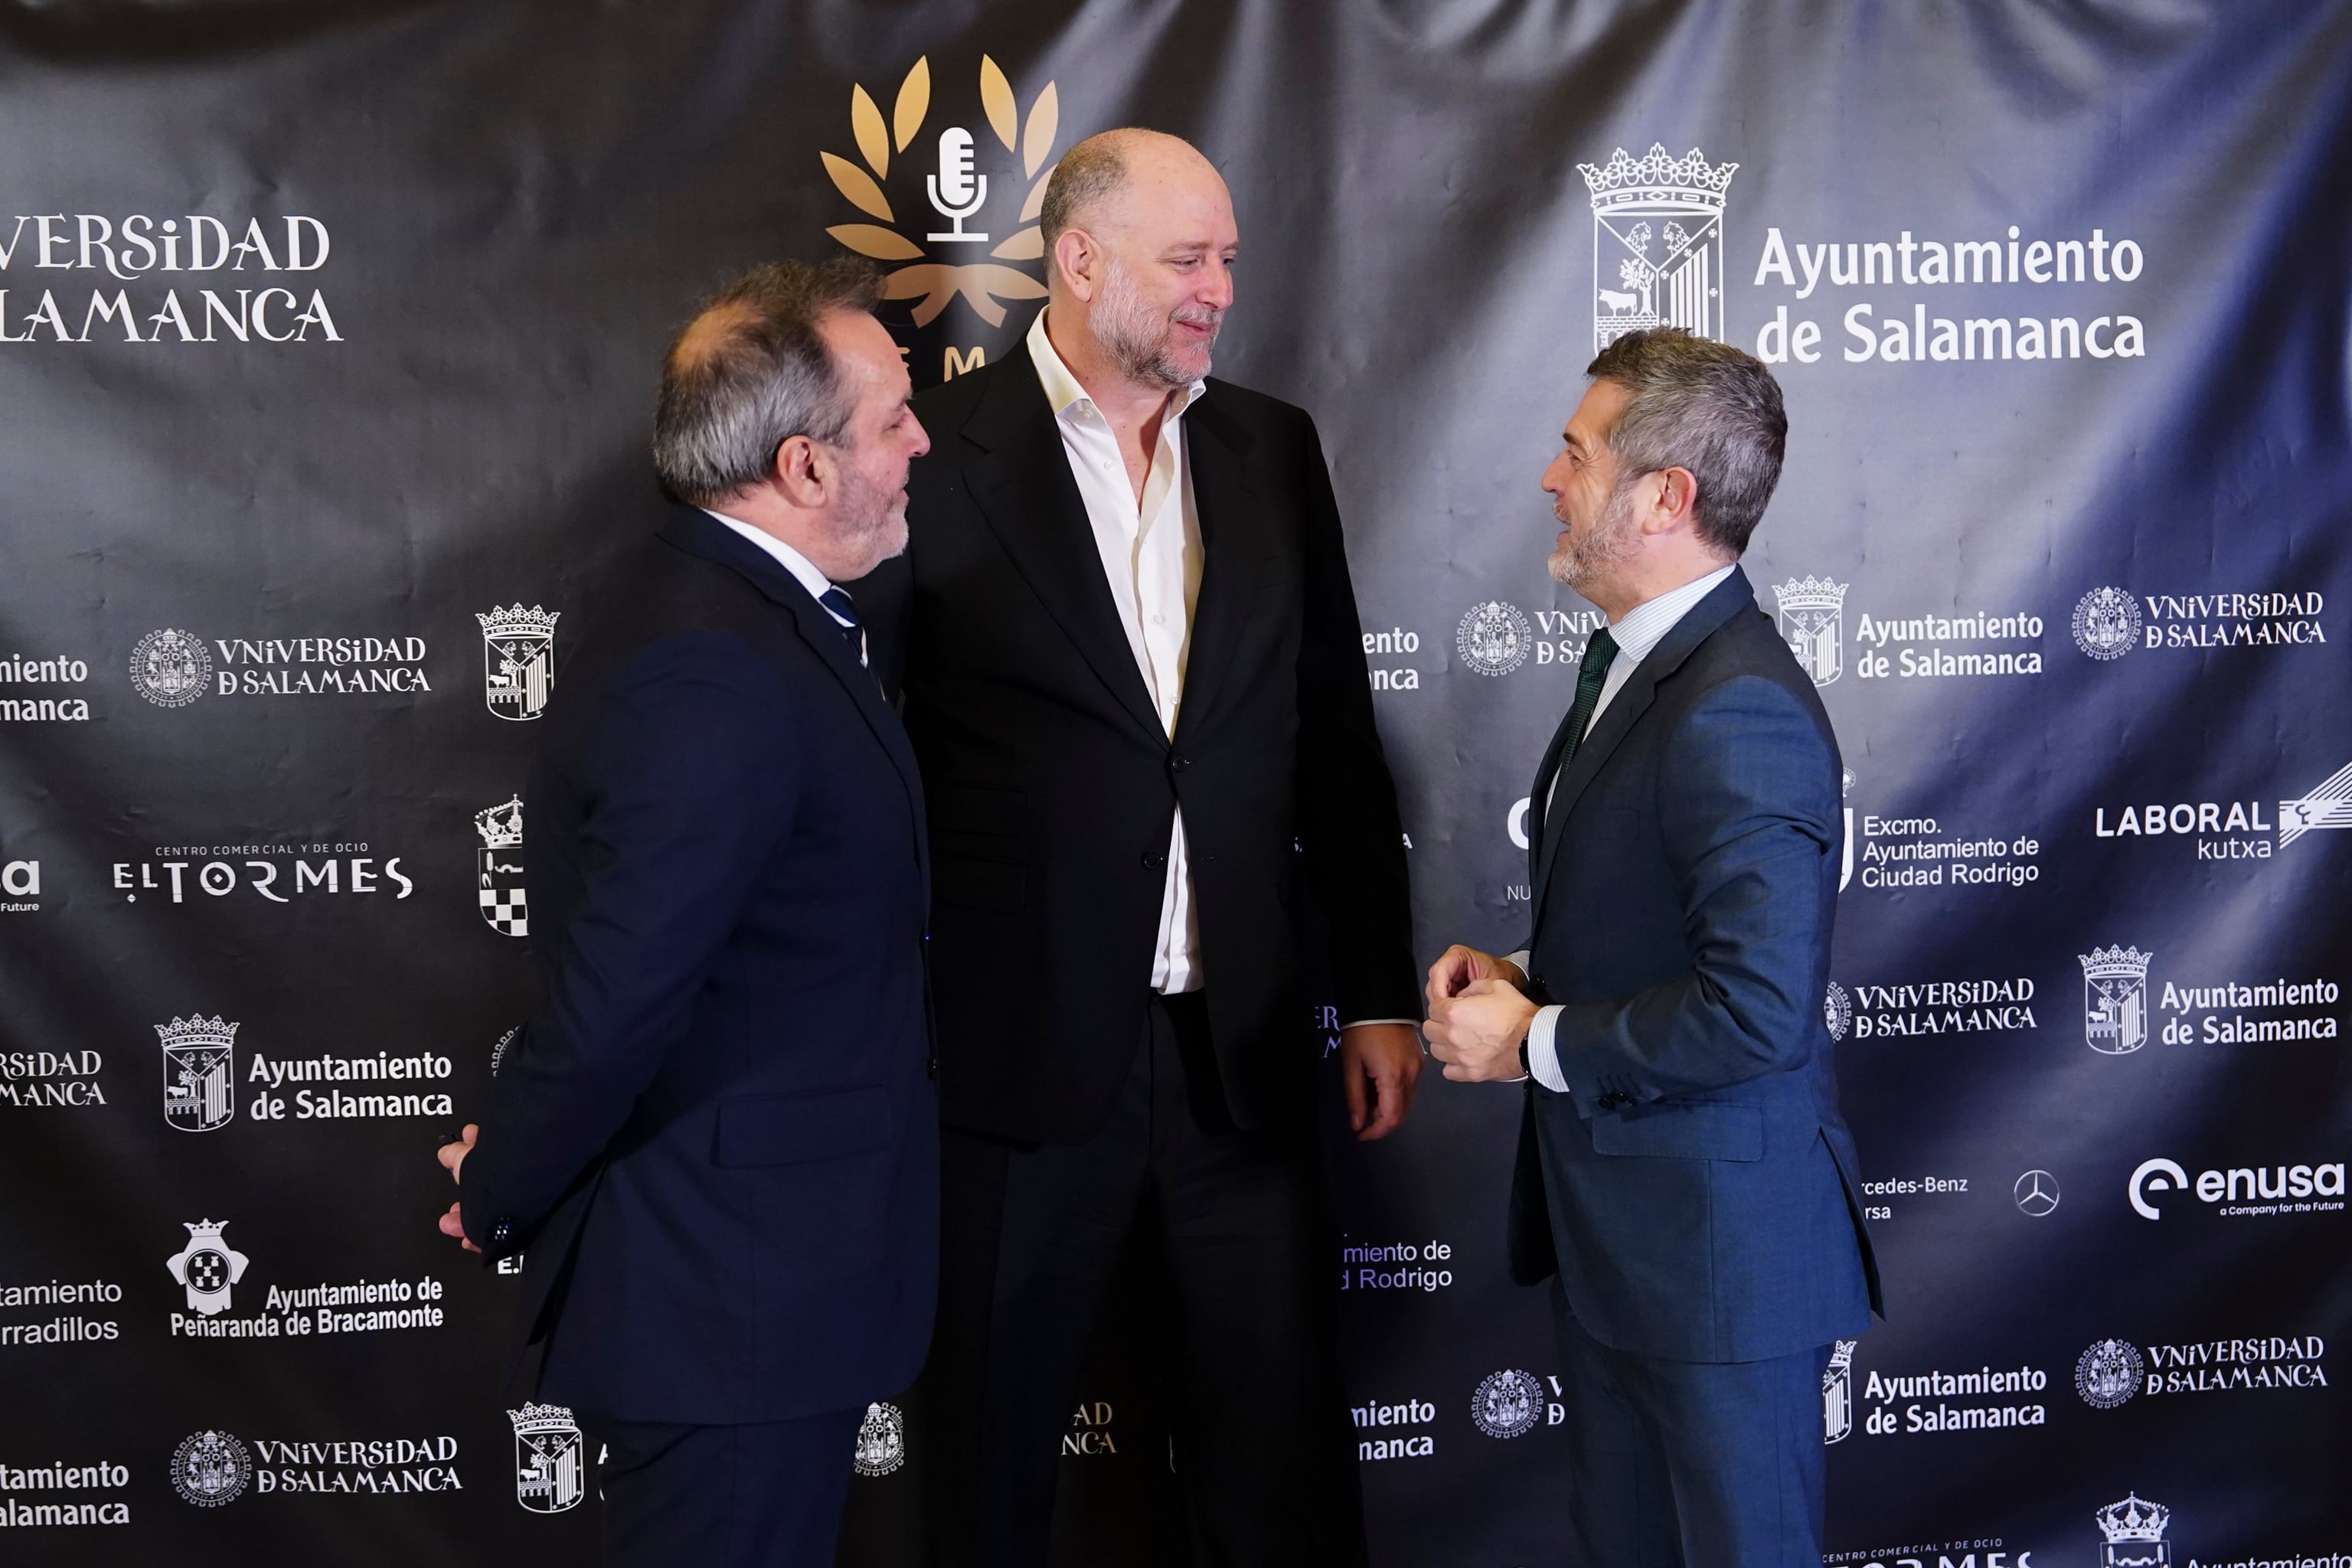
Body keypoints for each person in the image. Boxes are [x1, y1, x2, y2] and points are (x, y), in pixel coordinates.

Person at [852, 129, 1421, 1566]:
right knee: (983, 1462)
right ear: (1081, 261)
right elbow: (863, 766)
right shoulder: (931, 448)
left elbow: (1335, 746)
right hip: (1014, 1064)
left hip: (1239, 1064)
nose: (1218, 290)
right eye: (1188, 260)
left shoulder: (1270, 447)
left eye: (1229, 259)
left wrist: (1379, 992)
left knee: (1274, 1469)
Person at [433, 259, 937, 1566]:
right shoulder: (717, 664)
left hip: (766, 1288)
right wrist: (502, 1185)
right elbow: (621, 996)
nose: (923, 439)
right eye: (894, 417)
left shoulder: (751, 621)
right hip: (735, 1301)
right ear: (804, 467)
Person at [1423, 327, 1883, 1567]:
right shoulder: (1646, 671)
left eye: (1576, 452)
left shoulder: (1736, 705)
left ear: (1664, 497)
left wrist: (1535, 1040)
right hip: (1630, 1253)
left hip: (1717, 1276)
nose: (1547, 478)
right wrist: (1534, 973)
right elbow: (1663, 928)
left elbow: (1754, 1012)